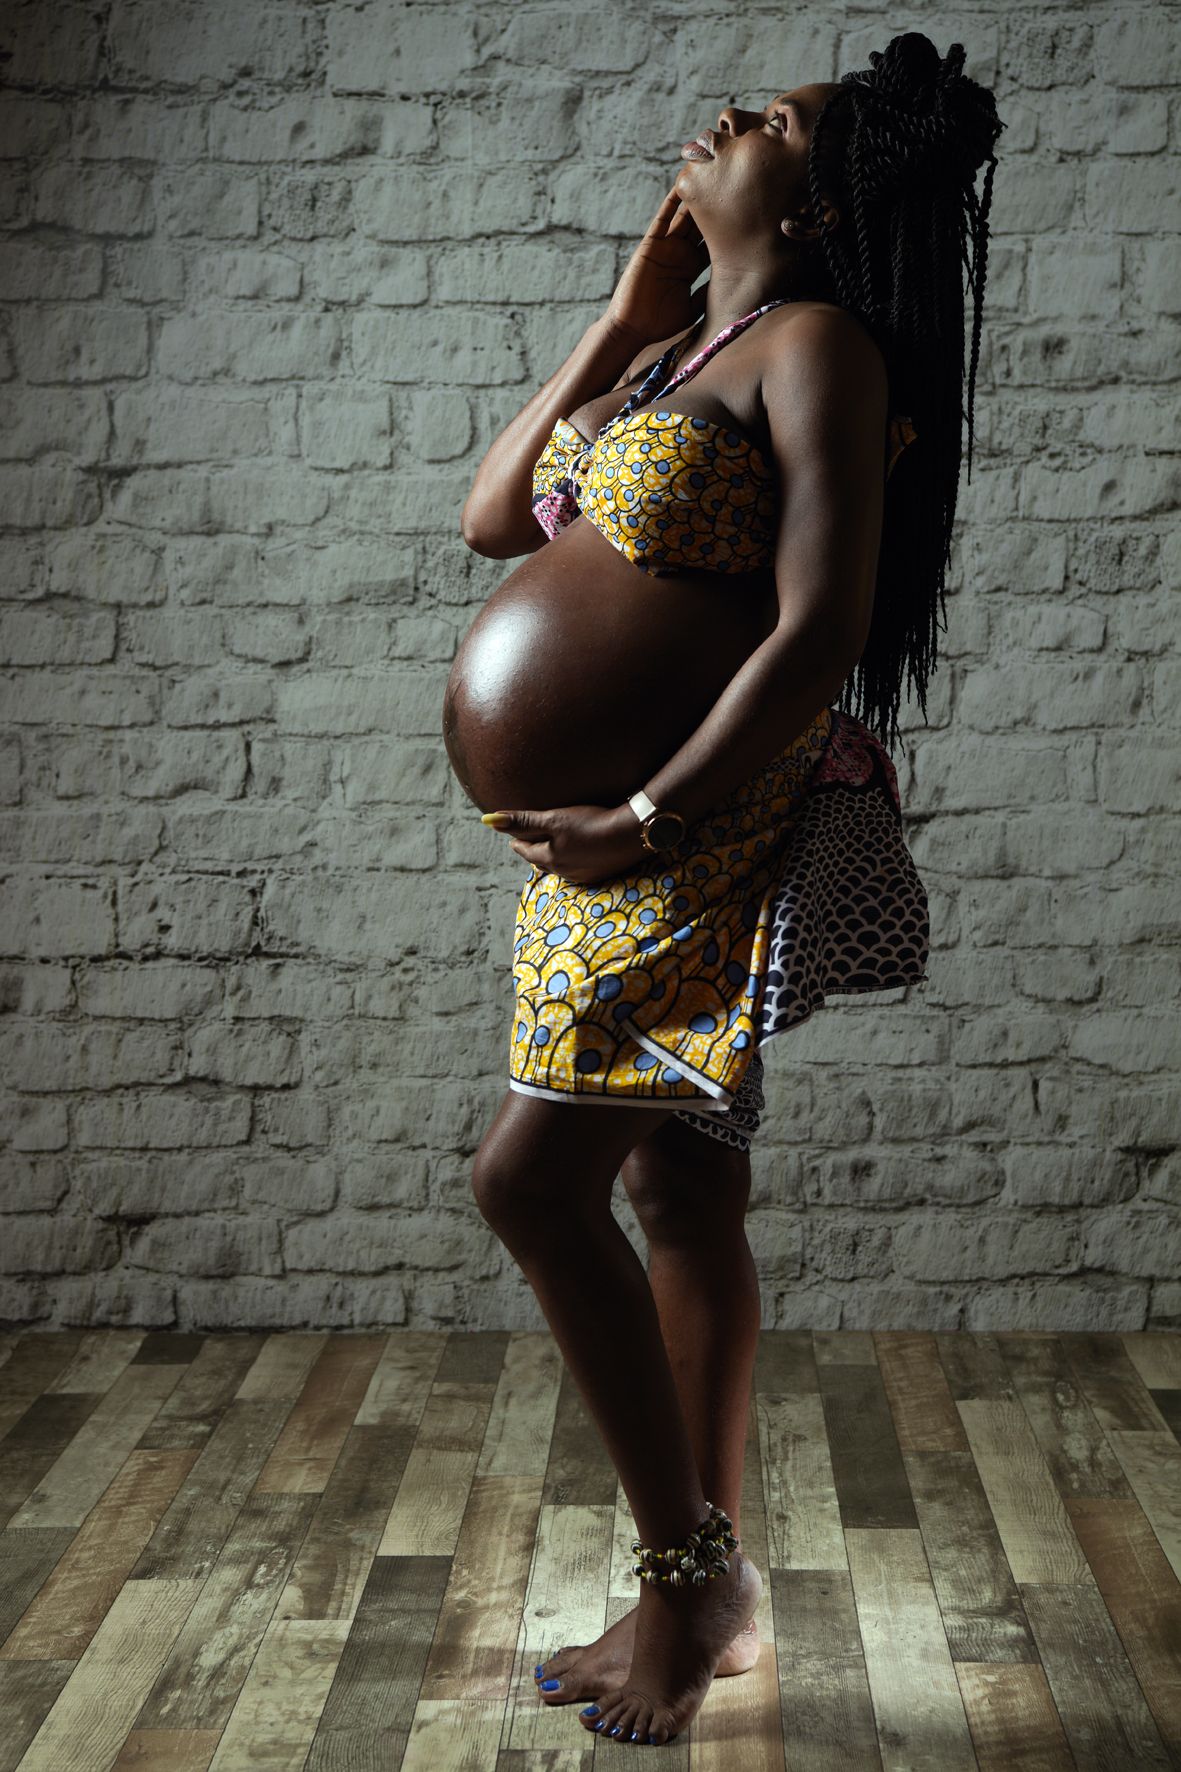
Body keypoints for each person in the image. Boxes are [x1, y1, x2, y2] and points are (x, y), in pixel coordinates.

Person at [457, 32, 1004, 1749]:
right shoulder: (680, 349)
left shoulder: (819, 348)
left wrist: (645, 811)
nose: (726, 118)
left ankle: (687, 1582)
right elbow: (493, 520)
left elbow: (818, 627)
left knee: (529, 1186)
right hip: (609, 841)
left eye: (772, 122)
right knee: (678, 1191)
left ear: (820, 199)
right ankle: (711, 1594)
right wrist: (623, 315)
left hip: (685, 828)